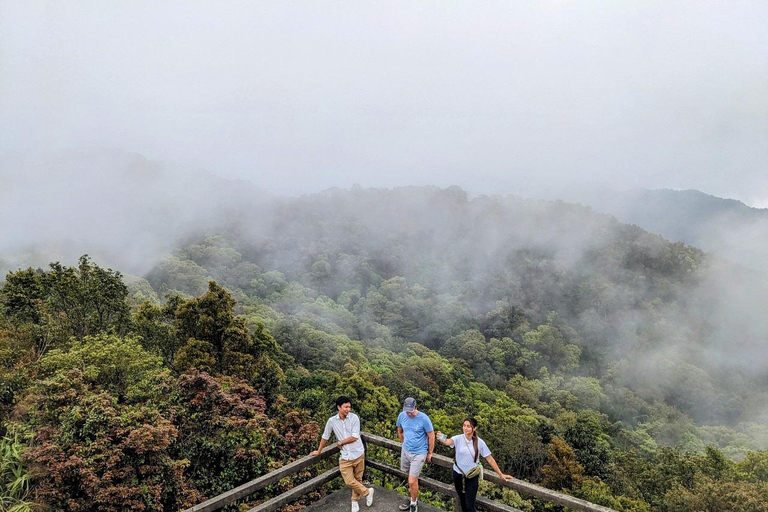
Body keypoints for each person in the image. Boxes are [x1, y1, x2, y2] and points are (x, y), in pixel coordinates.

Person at [310, 396, 374, 512]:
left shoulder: (354, 418)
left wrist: (341, 442)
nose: (348, 409)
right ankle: (367, 492)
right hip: (345, 456)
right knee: (349, 481)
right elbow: (325, 436)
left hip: (358, 453)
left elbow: (355, 436)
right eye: (345, 407)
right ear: (339, 407)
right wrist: (319, 451)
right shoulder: (332, 421)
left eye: (349, 407)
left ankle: (354, 501)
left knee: (358, 479)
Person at [436, 418, 513, 512]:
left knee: (470, 505)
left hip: (472, 474)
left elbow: (490, 459)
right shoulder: (458, 438)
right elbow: (447, 442)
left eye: (468, 426)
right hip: (458, 472)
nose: (465, 428)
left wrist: (500, 474)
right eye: (464, 425)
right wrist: (440, 437)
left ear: (474, 428)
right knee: (461, 497)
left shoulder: (480, 443)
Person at [396, 397, 434, 512]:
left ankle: (413, 504)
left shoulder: (424, 418)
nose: (409, 413)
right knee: (411, 479)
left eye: (411, 411)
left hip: (419, 453)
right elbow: (400, 430)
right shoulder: (402, 416)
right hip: (406, 451)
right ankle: (414, 498)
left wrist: (430, 453)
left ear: (415, 407)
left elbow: (431, 436)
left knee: (412, 480)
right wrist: (404, 443)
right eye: (407, 411)